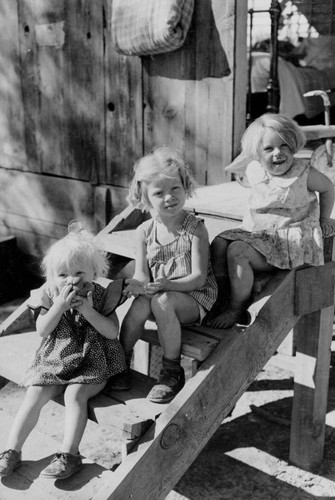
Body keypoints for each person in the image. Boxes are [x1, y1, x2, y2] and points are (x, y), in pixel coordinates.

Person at [0, 223, 126, 479]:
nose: (70, 280)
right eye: (62, 274)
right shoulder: (48, 294)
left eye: (79, 272)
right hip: (56, 359)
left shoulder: (102, 295)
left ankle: (69, 454)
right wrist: (58, 306)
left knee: (75, 396)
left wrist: (87, 311)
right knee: (34, 393)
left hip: (94, 360)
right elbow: (43, 330)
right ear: (51, 276)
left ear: (94, 271)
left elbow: (112, 332)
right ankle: (11, 451)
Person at [110, 147, 218, 403]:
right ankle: (120, 364)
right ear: (145, 198)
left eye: (175, 189)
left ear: (185, 187)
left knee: (163, 300)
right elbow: (141, 274)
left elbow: (199, 278)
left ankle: (172, 371)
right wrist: (138, 286)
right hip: (163, 293)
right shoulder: (144, 231)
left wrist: (168, 285)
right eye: (159, 193)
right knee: (140, 305)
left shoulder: (195, 229)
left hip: (195, 298)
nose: (169, 197)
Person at [208, 113, 335, 329]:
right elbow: (242, 167)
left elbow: (328, 187)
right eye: (268, 148)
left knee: (237, 251)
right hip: (260, 234)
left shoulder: (303, 173)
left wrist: (324, 217)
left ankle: (236, 308)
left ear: (294, 145)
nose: (278, 153)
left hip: (287, 242)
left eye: (285, 145)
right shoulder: (255, 168)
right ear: (257, 154)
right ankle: (219, 296)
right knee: (219, 241)